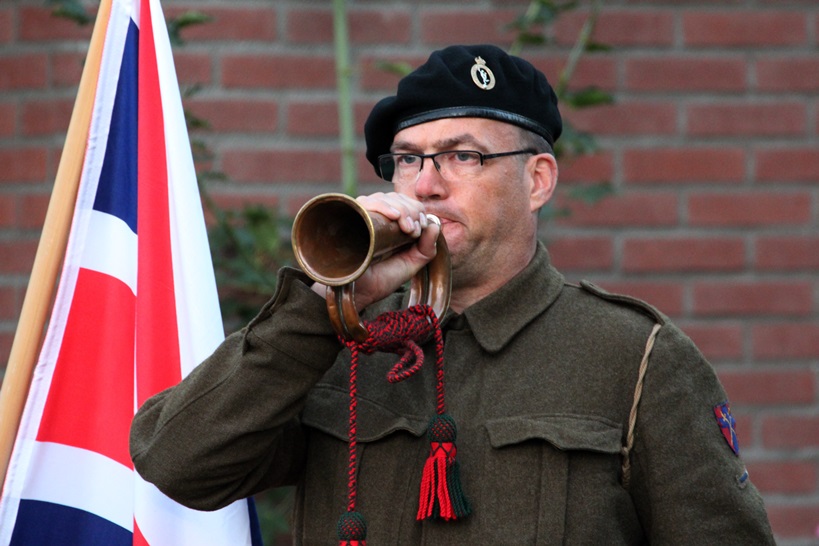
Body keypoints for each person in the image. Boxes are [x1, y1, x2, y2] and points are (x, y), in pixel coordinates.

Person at [130, 44, 775, 544]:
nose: (427, 184)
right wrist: (320, 305)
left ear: (538, 180)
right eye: (408, 159)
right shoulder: (333, 343)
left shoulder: (637, 360)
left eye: (463, 155)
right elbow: (176, 462)